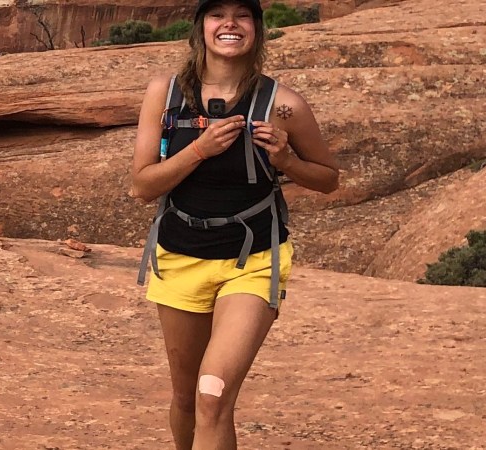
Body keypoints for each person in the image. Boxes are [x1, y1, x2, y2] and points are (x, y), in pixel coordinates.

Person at [130, 0, 339, 448]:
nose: (229, 24)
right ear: (200, 27)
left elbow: (327, 179)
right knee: (186, 398)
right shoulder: (164, 95)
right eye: (217, 14)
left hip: (254, 260)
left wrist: (285, 160)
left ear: (257, 29)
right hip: (180, 255)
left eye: (242, 15)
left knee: (213, 394)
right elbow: (143, 186)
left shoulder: (281, 104)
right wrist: (199, 150)